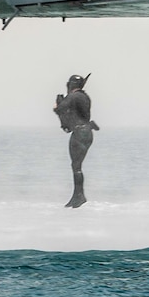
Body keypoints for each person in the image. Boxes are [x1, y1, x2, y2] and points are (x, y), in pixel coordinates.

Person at [53, 74, 99, 208]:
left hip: (79, 133)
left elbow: (60, 109)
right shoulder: (84, 96)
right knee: (76, 165)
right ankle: (77, 195)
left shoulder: (74, 96)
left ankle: (79, 196)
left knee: (76, 166)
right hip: (87, 132)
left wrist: (58, 104)